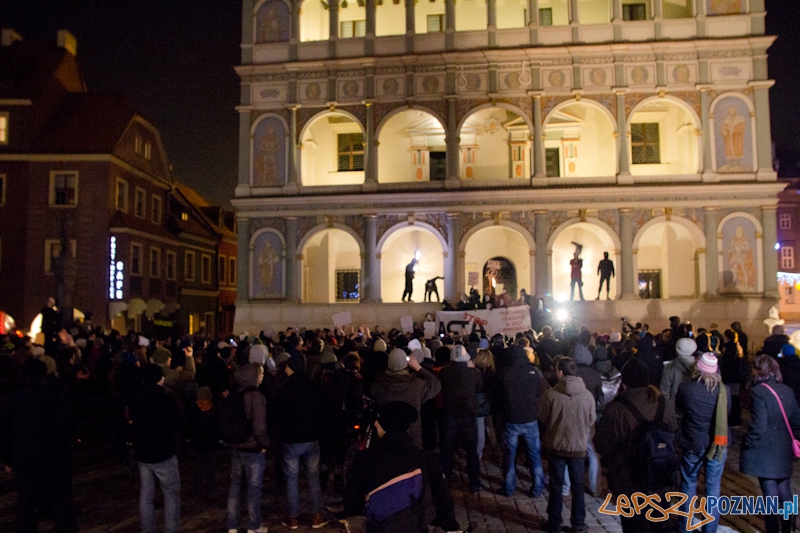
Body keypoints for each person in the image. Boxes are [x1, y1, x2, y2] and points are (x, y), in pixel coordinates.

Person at [343, 401, 461, 533]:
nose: (375, 424)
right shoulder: (426, 458)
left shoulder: (364, 459)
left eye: (379, 420)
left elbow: (352, 501)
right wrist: (451, 527)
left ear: (387, 425)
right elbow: (442, 498)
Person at [594, 359, 677, 533]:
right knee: (660, 523)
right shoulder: (665, 404)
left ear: (624, 384)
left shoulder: (616, 409)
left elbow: (603, 445)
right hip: (660, 475)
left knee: (634, 525)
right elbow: (673, 434)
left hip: (630, 479)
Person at [0, 357, 78, 533]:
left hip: (23, 457)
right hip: (52, 456)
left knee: (26, 501)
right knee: (59, 501)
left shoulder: (13, 399)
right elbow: (64, 427)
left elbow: (4, 430)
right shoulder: (53, 396)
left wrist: (6, 457)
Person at [740, 355, 800, 533]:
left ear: (759, 370)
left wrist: (748, 442)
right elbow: (797, 419)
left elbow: (759, 425)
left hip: (766, 448)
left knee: (770, 493)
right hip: (783, 447)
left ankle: (773, 529)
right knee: (785, 490)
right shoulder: (787, 390)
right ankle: (788, 527)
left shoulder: (759, 392)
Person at [675, 353, 730, 533]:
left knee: (688, 485)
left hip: (693, 443)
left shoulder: (686, 388)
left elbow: (680, 411)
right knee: (713, 489)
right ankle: (710, 529)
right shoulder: (724, 390)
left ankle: (685, 527)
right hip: (717, 444)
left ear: (698, 368)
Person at [540, 358, 595, 533]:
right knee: (577, 486)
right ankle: (578, 523)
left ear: (561, 372)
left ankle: (554, 523)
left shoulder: (551, 394)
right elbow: (591, 420)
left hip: (557, 445)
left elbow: (542, 417)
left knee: (556, 485)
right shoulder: (587, 396)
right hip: (578, 446)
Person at [129, 364, 183, 533]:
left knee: (146, 494)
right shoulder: (166, 399)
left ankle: (148, 529)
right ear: (160, 379)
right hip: (163, 452)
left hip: (143, 453)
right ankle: (172, 529)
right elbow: (177, 422)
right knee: (171, 494)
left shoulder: (136, 399)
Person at [277, 356, 329, 530]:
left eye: (288, 367)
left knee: (291, 479)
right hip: (312, 438)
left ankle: (293, 518)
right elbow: (321, 412)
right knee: (313, 477)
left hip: (291, 440)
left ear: (293, 368)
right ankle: (317, 515)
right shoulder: (314, 388)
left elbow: (280, 416)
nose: (285, 369)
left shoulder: (284, 390)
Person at [496, 344, 546, 497]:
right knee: (535, 455)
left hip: (511, 419)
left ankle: (509, 488)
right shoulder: (534, 372)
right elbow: (540, 393)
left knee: (510, 455)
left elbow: (498, 398)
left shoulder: (504, 373)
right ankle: (538, 487)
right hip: (530, 418)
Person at [225, 364, 270, 533]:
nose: (262, 377)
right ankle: (254, 525)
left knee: (235, 486)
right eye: (260, 374)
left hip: (235, 446)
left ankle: (232, 525)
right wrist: (265, 444)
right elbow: (259, 427)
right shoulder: (255, 396)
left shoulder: (233, 394)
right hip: (252, 447)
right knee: (254, 487)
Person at [369, 347, 441, 447]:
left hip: (386, 435)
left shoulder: (378, 385)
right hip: (412, 436)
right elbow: (436, 384)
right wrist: (418, 367)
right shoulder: (417, 385)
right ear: (405, 364)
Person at [437, 344, 483, 493]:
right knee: (471, 450)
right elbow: (479, 388)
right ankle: (474, 482)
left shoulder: (444, 373)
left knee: (447, 449)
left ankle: (446, 480)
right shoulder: (474, 373)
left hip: (449, 414)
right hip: (468, 414)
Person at [659, 337, 698, 403]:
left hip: (674, 407)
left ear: (677, 350)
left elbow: (664, 392)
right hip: (693, 407)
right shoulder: (699, 368)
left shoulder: (669, 368)